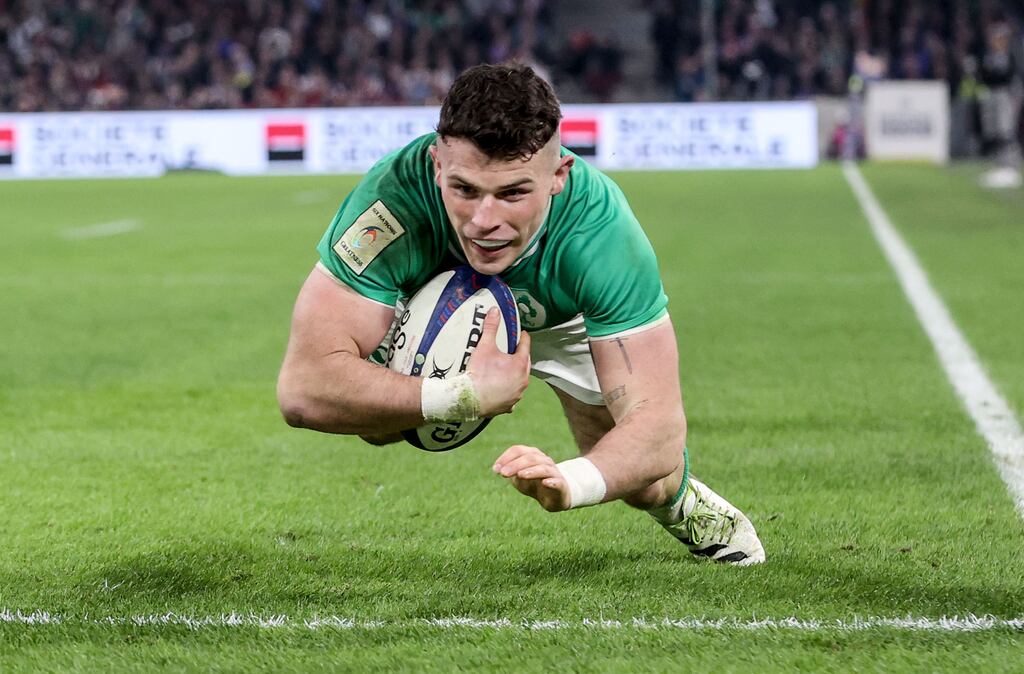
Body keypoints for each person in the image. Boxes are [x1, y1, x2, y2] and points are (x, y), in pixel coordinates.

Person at [277, 62, 765, 565]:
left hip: (560, 314)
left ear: (558, 176)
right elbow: (303, 390)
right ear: (437, 166)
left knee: (642, 478)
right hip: (432, 296)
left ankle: (681, 504)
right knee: (377, 426)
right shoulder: (394, 200)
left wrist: (569, 483)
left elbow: (659, 428)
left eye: (512, 193)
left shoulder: (601, 233)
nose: (485, 222)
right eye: (464, 190)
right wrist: (463, 395)